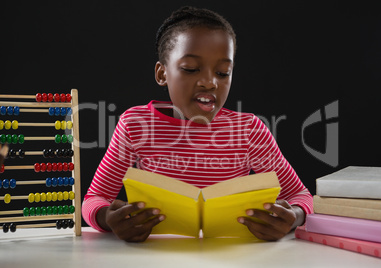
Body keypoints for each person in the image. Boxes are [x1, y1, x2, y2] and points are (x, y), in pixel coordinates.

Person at [82, 6, 313, 242]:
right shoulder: (135, 125)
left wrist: (292, 217)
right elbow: (94, 198)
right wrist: (107, 219)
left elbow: (300, 195)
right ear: (162, 74)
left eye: (223, 72)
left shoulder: (249, 130)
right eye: (191, 69)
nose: (210, 82)